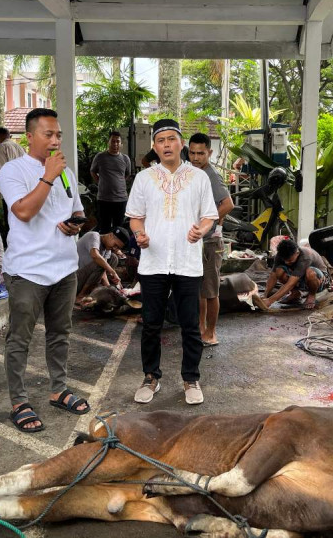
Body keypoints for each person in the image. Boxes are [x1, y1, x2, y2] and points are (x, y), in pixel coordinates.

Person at [0, 108, 90, 433]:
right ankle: (19, 401)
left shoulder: (64, 172)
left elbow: (76, 209)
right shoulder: (13, 170)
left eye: (59, 135)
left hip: (64, 268)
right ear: (30, 136)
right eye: (48, 134)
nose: (55, 140)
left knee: (60, 333)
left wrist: (74, 224)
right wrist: (48, 175)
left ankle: (58, 389)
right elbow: (22, 211)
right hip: (27, 271)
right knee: (20, 338)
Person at [126, 118, 218, 405]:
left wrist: (201, 230)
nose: (166, 144)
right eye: (161, 140)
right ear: (154, 146)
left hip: (187, 262)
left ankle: (191, 378)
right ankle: (150, 377)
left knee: (190, 324)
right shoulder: (144, 178)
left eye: (171, 139)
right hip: (153, 262)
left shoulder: (199, 178)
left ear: (182, 144)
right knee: (151, 323)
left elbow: (209, 216)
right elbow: (135, 217)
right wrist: (139, 234)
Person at [188, 133, 234, 347]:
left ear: (210, 153)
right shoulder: (194, 173)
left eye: (201, 153)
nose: (196, 157)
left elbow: (228, 204)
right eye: (192, 153)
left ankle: (211, 333)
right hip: (199, 241)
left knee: (210, 290)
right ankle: (200, 329)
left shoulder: (210, 174)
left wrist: (207, 223)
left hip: (211, 242)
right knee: (200, 289)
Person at [258, 239, 331, 310]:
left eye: (289, 260)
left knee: (310, 272)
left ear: (297, 253)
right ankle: (295, 293)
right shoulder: (280, 255)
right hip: (300, 278)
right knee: (279, 270)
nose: (286, 262)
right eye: (285, 260)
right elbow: (273, 276)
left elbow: (291, 283)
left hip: (320, 280)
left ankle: (311, 295)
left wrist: (270, 301)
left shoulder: (305, 256)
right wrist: (265, 295)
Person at [90, 130, 132, 233]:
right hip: (104, 199)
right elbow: (93, 171)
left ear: (121, 144)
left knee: (119, 230)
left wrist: (119, 183)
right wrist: (100, 182)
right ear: (108, 142)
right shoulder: (100, 157)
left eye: (118, 141)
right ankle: (105, 249)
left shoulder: (125, 159)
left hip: (120, 199)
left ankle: (116, 250)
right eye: (113, 141)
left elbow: (127, 174)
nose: (115, 144)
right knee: (104, 228)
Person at [75, 226, 130, 300]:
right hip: (73, 278)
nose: (115, 248)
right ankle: (81, 296)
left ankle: (87, 291)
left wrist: (111, 290)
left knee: (113, 258)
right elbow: (95, 255)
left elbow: (102, 273)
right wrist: (113, 272)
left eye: (117, 247)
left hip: (82, 280)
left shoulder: (107, 248)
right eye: (115, 245)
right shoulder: (93, 236)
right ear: (110, 235)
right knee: (100, 263)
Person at [0, 127, 25, 236]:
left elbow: (2, 172)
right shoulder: (21, 148)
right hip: (24, 187)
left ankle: (11, 244)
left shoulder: (1, 147)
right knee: (21, 219)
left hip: (10, 189)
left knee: (9, 218)